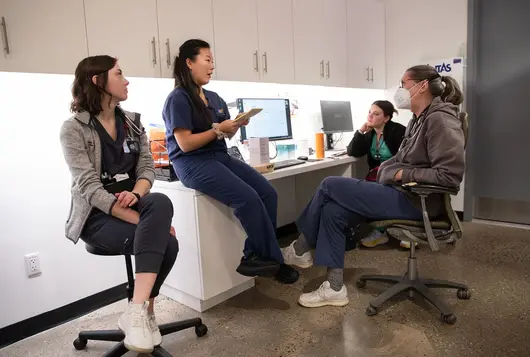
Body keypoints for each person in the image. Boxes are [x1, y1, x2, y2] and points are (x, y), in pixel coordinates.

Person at [281, 64, 465, 308]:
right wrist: (391, 171)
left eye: (403, 84)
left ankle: (300, 247)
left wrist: (400, 174)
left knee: (329, 185)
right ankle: (334, 288)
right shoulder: (419, 119)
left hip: (417, 201)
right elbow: (400, 158)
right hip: (401, 193)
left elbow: (449, 176)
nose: (400, 90)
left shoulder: (440, 119)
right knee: (332, 212)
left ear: (421, 86)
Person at [60, 55, 178, 353]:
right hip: (97, 217)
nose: (126, 81)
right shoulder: (74, 129)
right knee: (168, 242)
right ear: (98, 81)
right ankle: (142, 313)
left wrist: (137, 196)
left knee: (160, 200)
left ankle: (139, 311)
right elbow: (89, 188)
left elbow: (147, 169)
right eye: (119, 74)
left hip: (134, 205)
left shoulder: (133, 122)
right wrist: (148, 224)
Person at [161, 39, 298, 284]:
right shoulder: (178, 99)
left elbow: (224, 134)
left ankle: (253, 254)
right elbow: (185, 143)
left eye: (212, 60)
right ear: (189, 63)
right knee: (248, 198)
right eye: (207, 59)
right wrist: (217, 130)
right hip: (191, 162)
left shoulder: (214, 98)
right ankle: (274, 261)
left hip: (218, 155)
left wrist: (235, 126)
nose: (212, 65)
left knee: (268, 193)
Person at [347, 100, 406, 248]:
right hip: (377, 176)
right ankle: (378, 232)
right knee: (365, 191)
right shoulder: (370, 134)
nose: (370, 116)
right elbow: (353, 151)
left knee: (379, 191)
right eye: (369, 112)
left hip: (396, 175)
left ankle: (405, 231)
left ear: (386, 118)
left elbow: (407, 158)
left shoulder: (398, 131)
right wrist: (360, 132)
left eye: (376, 114)